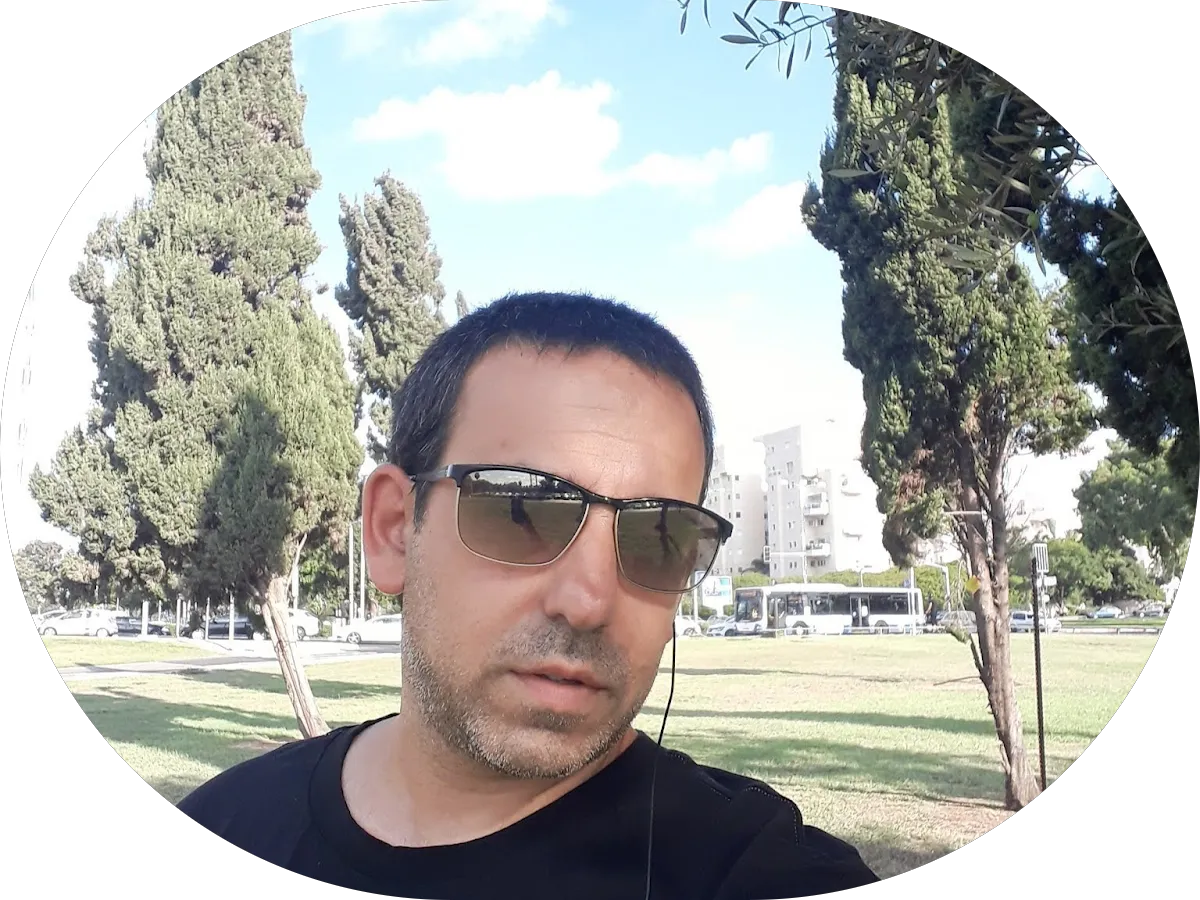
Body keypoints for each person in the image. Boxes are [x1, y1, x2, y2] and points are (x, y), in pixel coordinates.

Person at [177, 292, 878, 898]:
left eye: (659, 536)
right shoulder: (232, 818)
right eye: (520, 511)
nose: (589, 602)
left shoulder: (751, 868)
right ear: (394, 530)